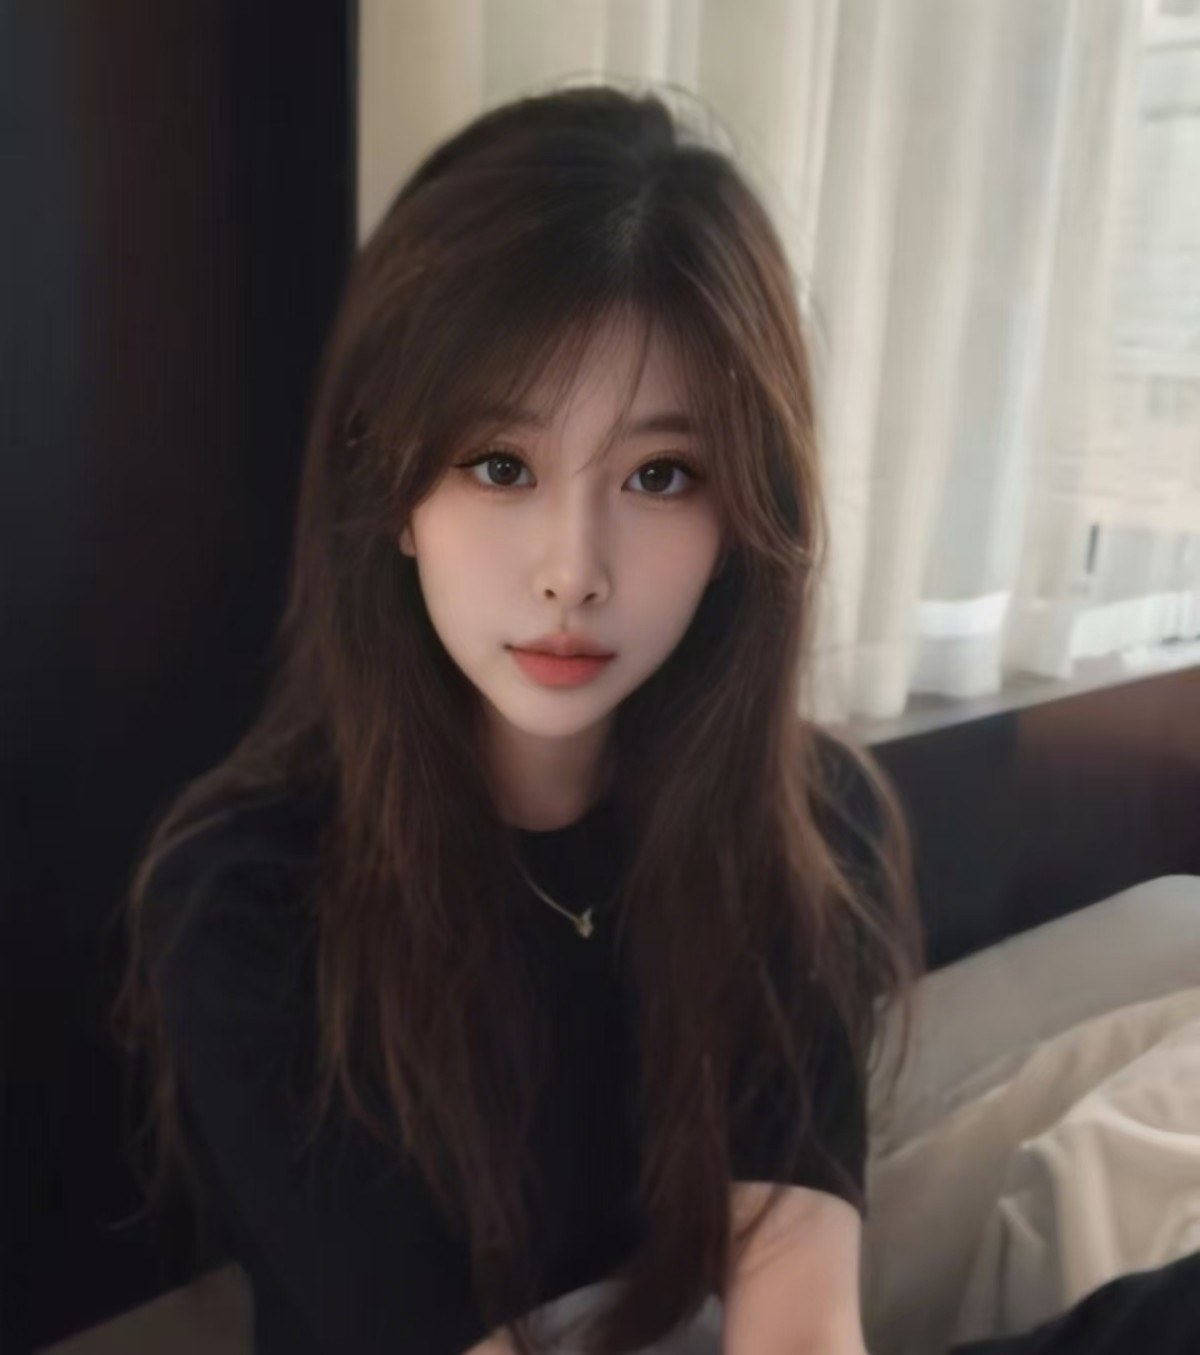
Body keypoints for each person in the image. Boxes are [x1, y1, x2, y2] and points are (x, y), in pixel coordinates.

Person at [110, 82, 1200, 1355]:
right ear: (390, 487)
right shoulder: (246, 897)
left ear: (739, 514)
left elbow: (797, 1318)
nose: (573, 568)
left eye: (660, 474)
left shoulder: (800, 821)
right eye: (501, 465)